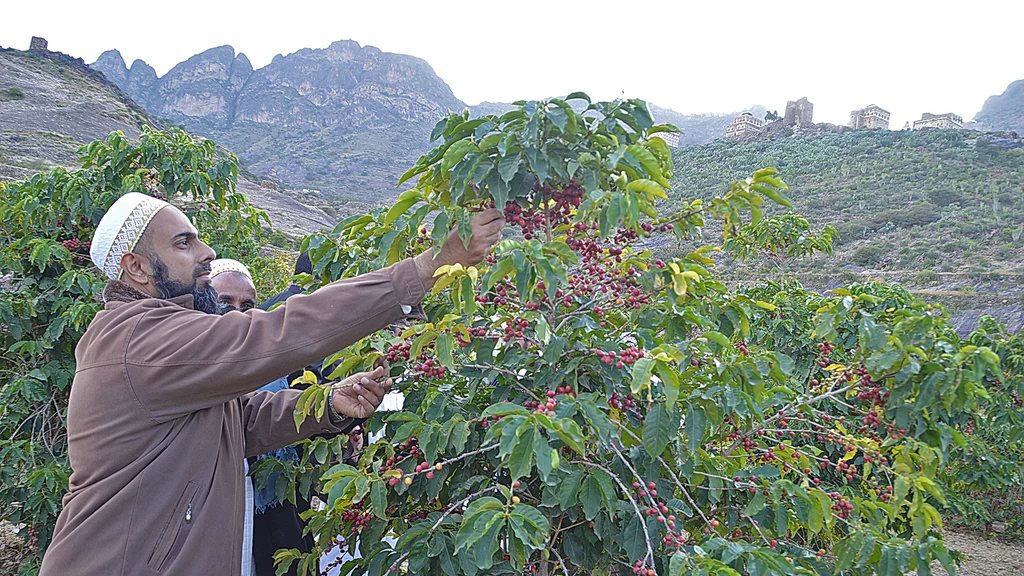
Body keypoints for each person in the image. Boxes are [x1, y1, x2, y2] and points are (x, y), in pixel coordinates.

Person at [39, 192, 505, 576]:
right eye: (183, 243)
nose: (206, 254)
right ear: (137, 268)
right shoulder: (139, 337)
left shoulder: (156, 333)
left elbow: (237, 421)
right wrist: (426, 267)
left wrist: (327, 404)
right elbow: (276, 333)